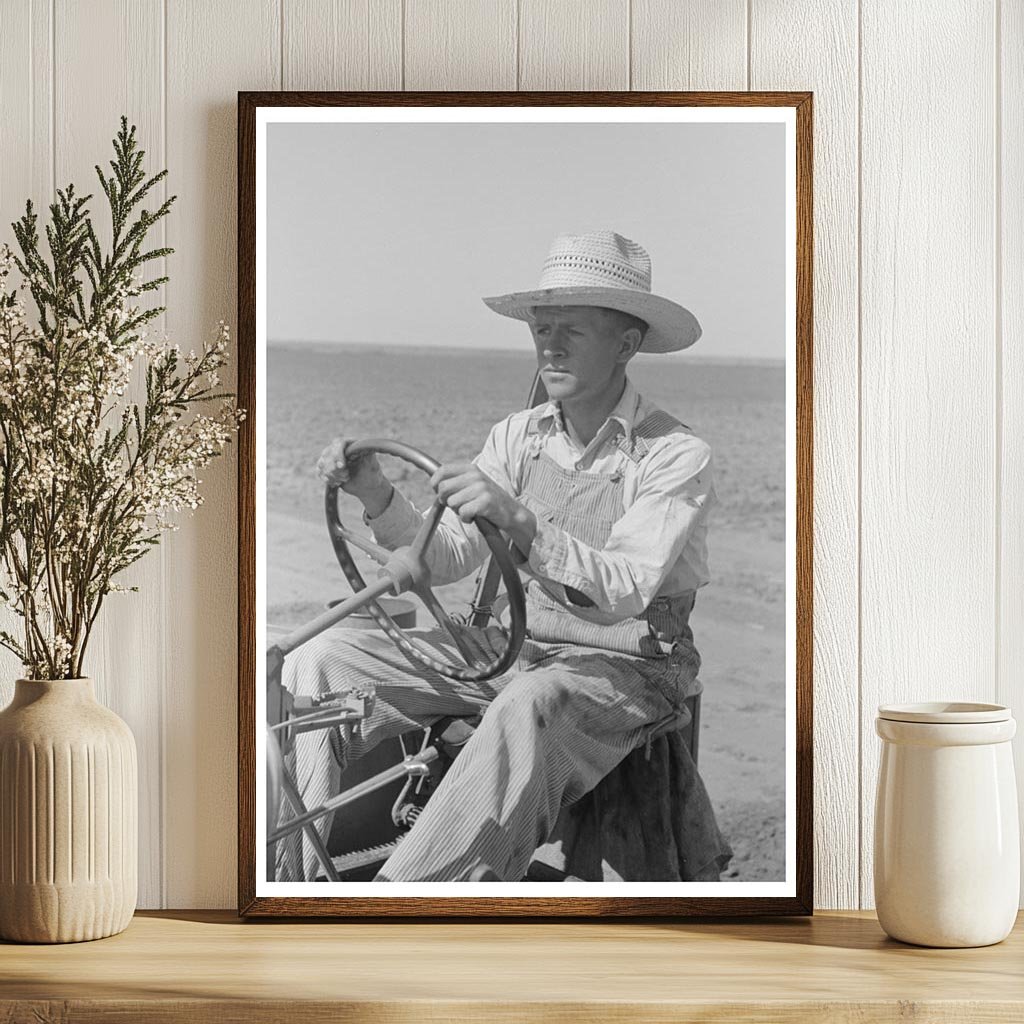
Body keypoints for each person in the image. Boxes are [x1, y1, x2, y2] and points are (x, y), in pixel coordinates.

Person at [277, 229, 732, 882]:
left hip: (625, 667)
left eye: (571, 329)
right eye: (543, 328)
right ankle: (293, 875)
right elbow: (447, 556)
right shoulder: (518, 436)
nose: (549, 345)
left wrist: (520, 520)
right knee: (322, 659)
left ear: (626, 344)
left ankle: (410, 901)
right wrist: (376, 493)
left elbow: (627, 589)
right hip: (506, 646)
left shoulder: (673, 455)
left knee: (526, 703)